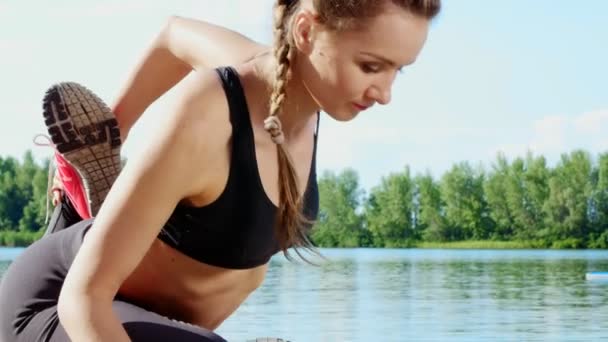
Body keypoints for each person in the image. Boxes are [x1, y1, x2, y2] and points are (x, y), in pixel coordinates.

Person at [0, 0, 441, 341]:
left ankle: (110, 198)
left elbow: (176, 36)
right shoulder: (210, 112)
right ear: (307, 30)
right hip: (59, 303)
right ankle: (94, 191)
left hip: (155, 315)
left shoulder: (306, 87)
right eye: (370, 66)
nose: (385, 94)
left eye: (397, 70)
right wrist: (118, 128)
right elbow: (82, 300)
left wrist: (117, 125)